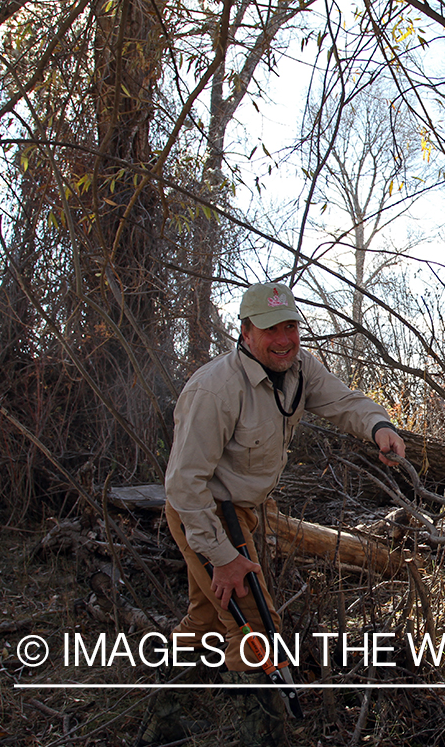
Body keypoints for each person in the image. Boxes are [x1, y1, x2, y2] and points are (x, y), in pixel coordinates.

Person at [145, 281, 406, 746]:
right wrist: (223, 556)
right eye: (271, 329)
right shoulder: (214, 390)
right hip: (205, 516)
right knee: (259, 631)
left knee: (204, 620)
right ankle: (264, 735)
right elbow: (184, 486)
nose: (284, 338)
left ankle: (162, 721)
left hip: (248, 511)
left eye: (291, 326)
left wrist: (378, 426)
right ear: (246, 332)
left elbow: (343, 402)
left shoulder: (301, 368)